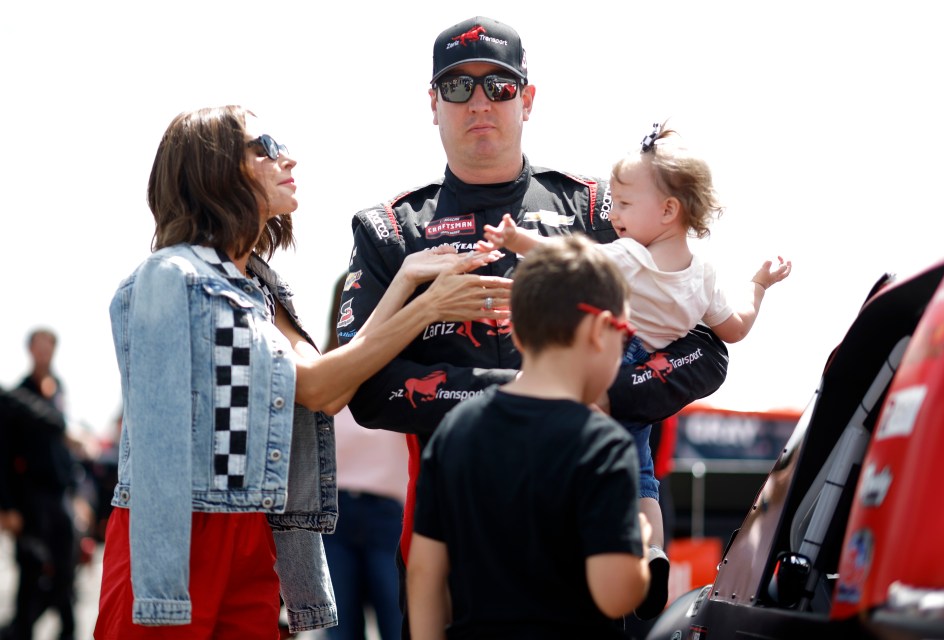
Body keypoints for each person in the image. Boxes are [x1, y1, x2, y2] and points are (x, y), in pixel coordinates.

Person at [339, 16, 729, 629]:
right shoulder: (392, 229)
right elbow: (366, 388)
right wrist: (524, 398)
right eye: (459, 88)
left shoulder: (604, 207)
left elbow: (706, 343)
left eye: (498, 86)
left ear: (527, 99)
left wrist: (611, 394)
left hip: (590, 527)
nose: (479, 104)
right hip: (456, 536)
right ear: (433, 103)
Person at [93, 105, 511, 640]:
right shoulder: (172, 276)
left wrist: (405, 280)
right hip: (176, 535)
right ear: (213, 168)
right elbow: (316, 386)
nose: (286, 157)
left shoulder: (259, 285)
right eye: (263, 145)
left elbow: (327, 385)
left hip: (250, 530)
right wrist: (426, 310)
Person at [480, 122, 792, 613]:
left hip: (612, 363)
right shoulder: (706, 276)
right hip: (650, 382)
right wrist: (759, 285)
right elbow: (734, 330)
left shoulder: (627, 257)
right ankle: (651, 553)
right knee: (642, 476)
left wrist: (519, 241)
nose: (612, 213)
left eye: (624, 204)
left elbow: (570, 258)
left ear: (668, 210)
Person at [407, 235, 653, 639]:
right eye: (625, 333)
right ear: (597, 330)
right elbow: (615, 594)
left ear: (517, 334)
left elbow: (424, 573)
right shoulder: (602, 444)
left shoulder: (456, 428)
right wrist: (639, 545)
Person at [322, 274, 408, 640]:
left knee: (400, 624)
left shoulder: (409, 375)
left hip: (391, 519)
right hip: (330, 520)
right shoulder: (320, 374)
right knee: (341, 632)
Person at [0, 329, 79, 640]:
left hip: (60, 496)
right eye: (39, 345)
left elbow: (63, 453)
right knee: (31, 572)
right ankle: (19, 631)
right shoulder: (16, 396)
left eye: (50, 346)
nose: (44, 351)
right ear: (30, 350)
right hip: (30, 500)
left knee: (66, 573)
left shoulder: (59, 388)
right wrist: (7, 507)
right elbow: (3, 457)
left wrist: (77, 496)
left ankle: (65, 632)